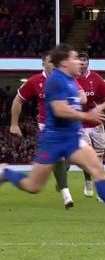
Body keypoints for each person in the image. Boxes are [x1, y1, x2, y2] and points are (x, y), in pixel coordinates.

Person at [0, 44, 105, 224]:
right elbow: (59, 110)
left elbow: (79, 100)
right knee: (33, 186)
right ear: (64, 62)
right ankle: (6, 172)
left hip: (72, 138)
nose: (80, 62)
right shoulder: (55, 80)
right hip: (53, 139)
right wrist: (87, 115)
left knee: (97, 168)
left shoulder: (71, 80)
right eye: (75, 58)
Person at [10, 52, 75, 209]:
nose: (54, 64)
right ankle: (66, 194)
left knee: (69, 159)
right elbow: (18, 100)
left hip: (68, 125)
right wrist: (14, 124)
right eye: (50, 61)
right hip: (47, 125)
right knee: (59, 158)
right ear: (43, 64)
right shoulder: (35, 81)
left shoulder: (66, 78)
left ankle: (60, 180)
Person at [76, 52, 105, 199]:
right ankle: (88, 180)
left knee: (99, 158)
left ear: (88, 63)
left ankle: (101, 188)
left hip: (96, 124)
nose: (82, 63)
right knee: (87, 156)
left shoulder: (96, 79)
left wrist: (99, 108)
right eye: (80, 60)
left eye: (85, 60)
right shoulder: (71, 79)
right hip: (79, 124)